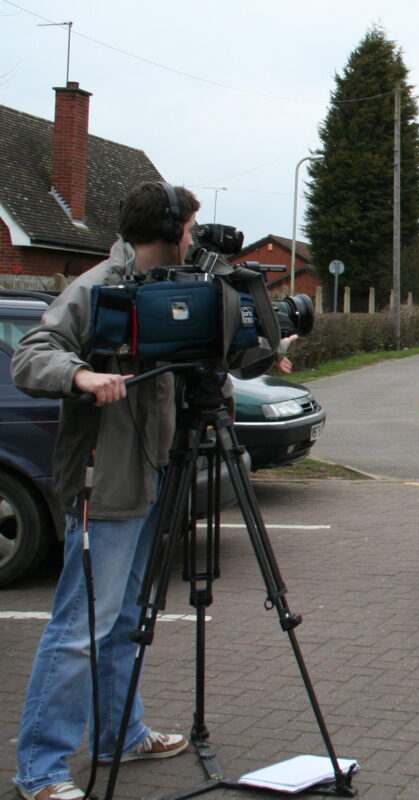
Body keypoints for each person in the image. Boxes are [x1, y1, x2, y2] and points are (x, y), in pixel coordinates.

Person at [10, 182, 204, 800]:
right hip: (106, 480)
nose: (196, 238)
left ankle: (122, 733)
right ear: (169, 227)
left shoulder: (170, 288)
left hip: (152, 475)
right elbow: (30, 356)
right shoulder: (97, 287)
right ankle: (40, 769)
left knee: (124, 619)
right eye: (192, 227)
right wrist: (82, 375)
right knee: (80, 628)